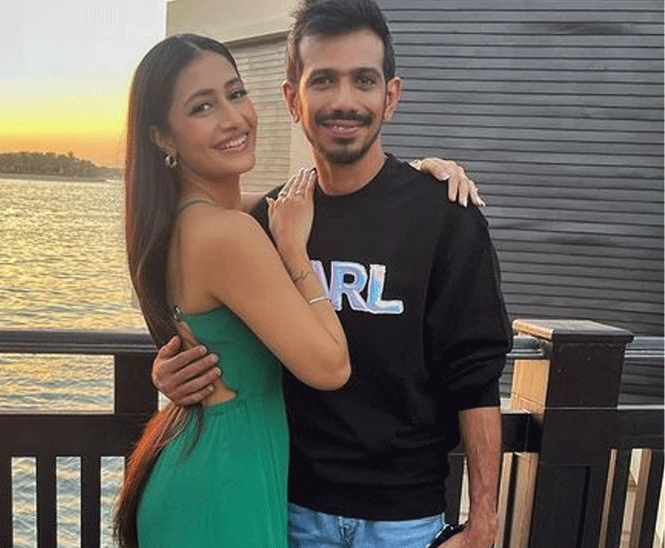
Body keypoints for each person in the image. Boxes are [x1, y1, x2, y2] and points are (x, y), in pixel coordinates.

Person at [151, 1, 513, 547]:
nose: (345, 100)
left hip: (403, 519)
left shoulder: (445, 216)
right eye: (323, 80)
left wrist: (483, 520)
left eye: (364, 80)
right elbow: (217, 322)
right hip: (287, 508)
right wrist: (169, 369)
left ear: (390, 96)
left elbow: (476, 375)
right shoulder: (270, 220)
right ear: (292, 99)